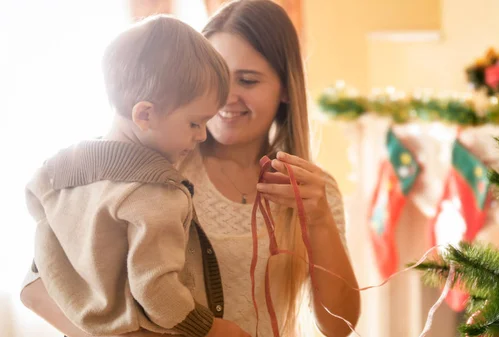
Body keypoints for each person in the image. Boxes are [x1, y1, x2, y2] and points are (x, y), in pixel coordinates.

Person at [21, 1, 361, 336]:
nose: (225, 97)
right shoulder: (145, 169)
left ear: (286, 88)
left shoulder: (313, 192)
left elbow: (338, 326)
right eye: (217, 78)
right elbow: (36, 289)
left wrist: (318, 221)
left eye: (248, 80)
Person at [21, 15, 250, 337]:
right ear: (144, 114)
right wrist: (209, 329)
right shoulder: (155, 193)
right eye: (195, 123)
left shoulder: (56, 172)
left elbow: (37, 214)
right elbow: (156, 291)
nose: (201, 136)